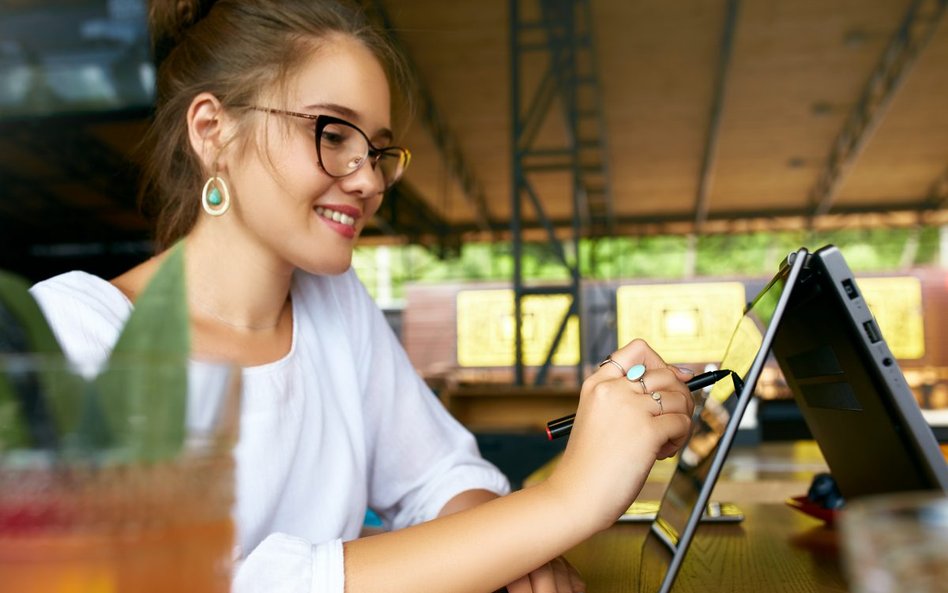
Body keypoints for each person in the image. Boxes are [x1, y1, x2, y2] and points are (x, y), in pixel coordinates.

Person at [28, 1, 696, 592]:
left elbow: (438, 478)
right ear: (212, 132)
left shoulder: (332, 304)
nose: (368, 180)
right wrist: (564, 503)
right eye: (333, 132)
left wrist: (507, 549)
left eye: (377, 150)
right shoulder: (69, 335)